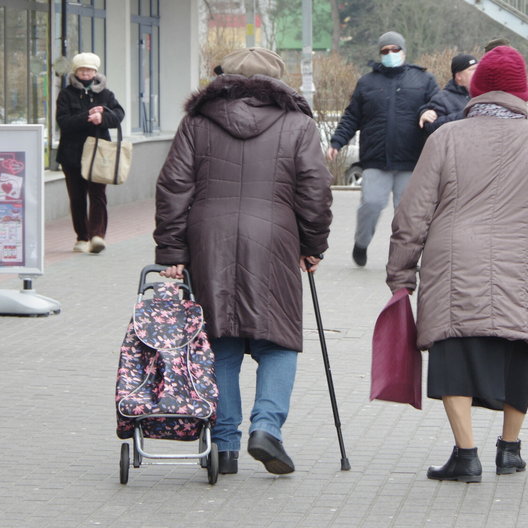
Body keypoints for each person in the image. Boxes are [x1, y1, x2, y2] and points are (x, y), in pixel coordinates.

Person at [386, 46, 528, 483]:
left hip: (452, 266)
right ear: (522, 93)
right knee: (516, 352)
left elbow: (412, 213)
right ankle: (510, 450)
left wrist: (401, 274)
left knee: (452, 353)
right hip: (520, 267)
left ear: (476, 90)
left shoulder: (446, 137)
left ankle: (466, 454)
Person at [154, 47, 333, 476]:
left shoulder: (197, 121)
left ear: (223, 77)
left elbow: (174, 186)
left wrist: (172, 252)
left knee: (221, 342)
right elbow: (315, 189)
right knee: (279, 340)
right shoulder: (297, 123)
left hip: (208, 239)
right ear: (279, 82)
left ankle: (225, 444)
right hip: (274, 238)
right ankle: (267, 429)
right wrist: (313, 245)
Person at [327, 31, 439, 267]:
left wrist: (429, 113)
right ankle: (361, 242)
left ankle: (406, 256)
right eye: (385, 51)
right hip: (376, 159)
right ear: (379, 54)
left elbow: (438, 106)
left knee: (407, 213)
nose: (390, 54)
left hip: (410, 160)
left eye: (394, 49)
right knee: (371, 203)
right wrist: (337, 142)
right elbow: (351, 117)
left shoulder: (423, 80)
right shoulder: (367, 83)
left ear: (403, 51)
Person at [55, 52, 125, 254]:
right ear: (75, 72)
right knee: (77, 198)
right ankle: (82, 237)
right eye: (82, 70)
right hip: (72, 155)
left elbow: (118, 115)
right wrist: (87, 116)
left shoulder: (106, 94)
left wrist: (102, 119)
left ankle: (97, 236)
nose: (86, 73)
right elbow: (63, 122)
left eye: (90, 70)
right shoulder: (66, 94)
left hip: (99, 153)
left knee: (98, 195)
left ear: (96, 72)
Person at [418, 53, 478, 135]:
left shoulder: (481, 95)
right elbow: (431, 127)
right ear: (458, 76)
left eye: (478, 69)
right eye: (472, 70)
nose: (477, 72)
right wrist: (464, 115)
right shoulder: (441, 99)